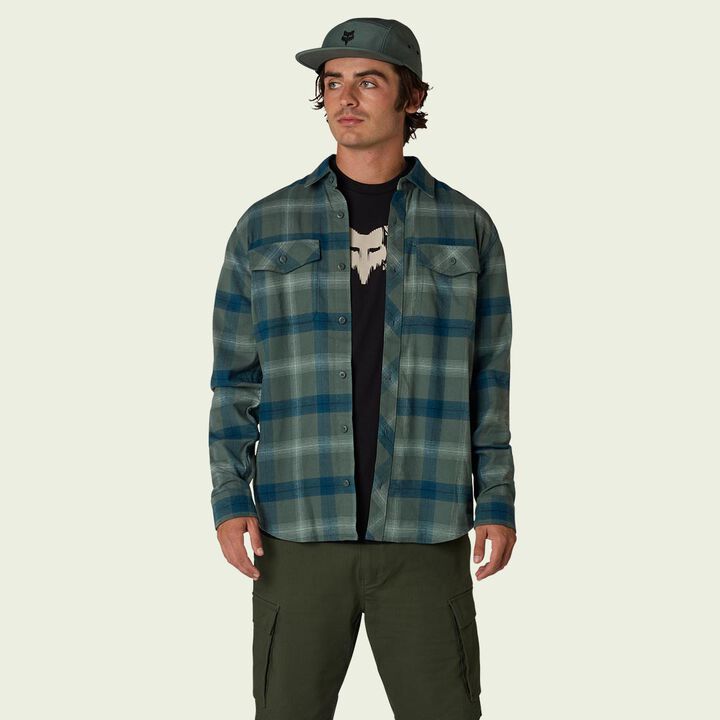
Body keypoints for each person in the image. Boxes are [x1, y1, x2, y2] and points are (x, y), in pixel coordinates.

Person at [208, 16, 517, 720]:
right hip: (298, 527)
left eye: (368, 82)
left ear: (413, 97)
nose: (345, 98)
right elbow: (235, 379)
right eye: (332, 83)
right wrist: (230, 497)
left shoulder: (466, 226)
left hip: (427, 527)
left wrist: (496, 499)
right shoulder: (265, 225)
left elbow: (489, 377)